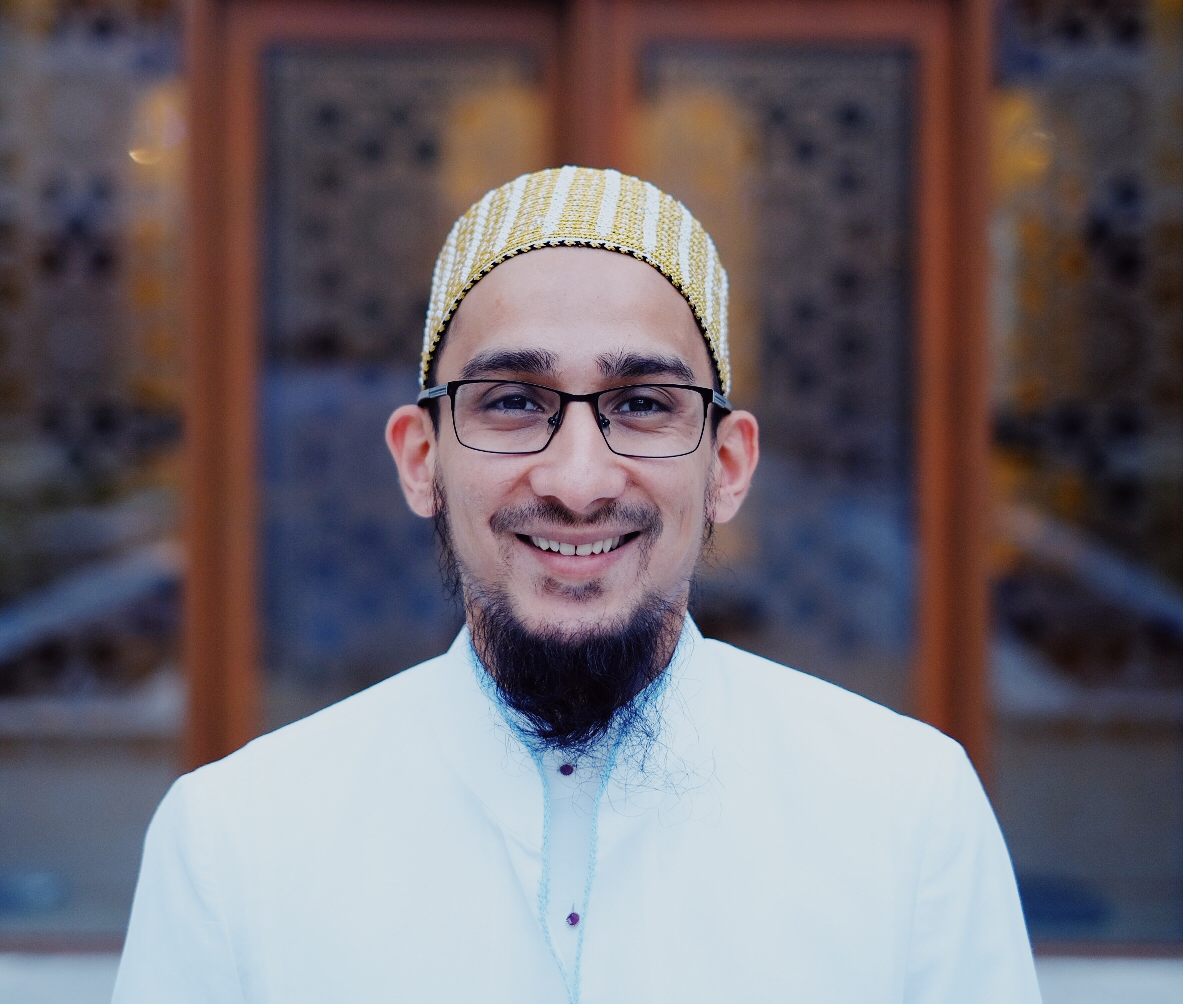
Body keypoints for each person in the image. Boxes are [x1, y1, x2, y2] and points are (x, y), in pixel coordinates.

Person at [114, 167, 1041, 1003]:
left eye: (640, 405)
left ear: (726, 465)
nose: (578, 480)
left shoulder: (904, 811)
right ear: (420, 459)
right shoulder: (238, 840)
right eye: (514, 402)